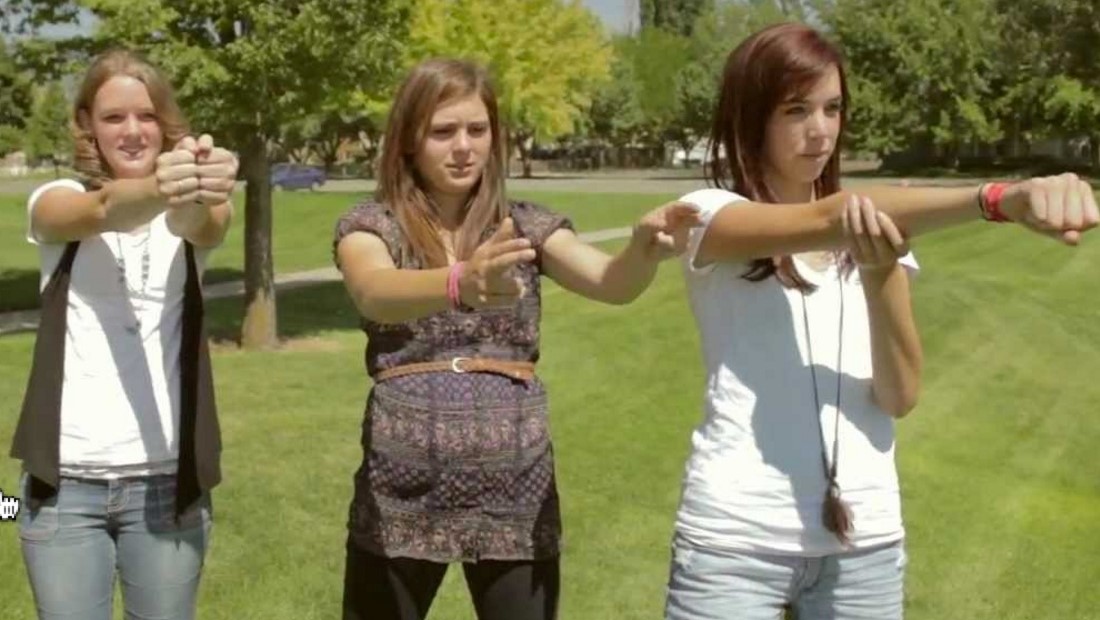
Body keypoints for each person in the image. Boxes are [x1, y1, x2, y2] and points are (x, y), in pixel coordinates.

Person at [663, 22, 1098, 620]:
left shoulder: (876, 237)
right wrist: (999, 199)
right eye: (796, 110)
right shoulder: (709, 216)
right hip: (734, 542)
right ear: (751, 117)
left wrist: (878, 273)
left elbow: (899, 395)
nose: (821, 129)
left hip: (864, 545)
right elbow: (834, 216)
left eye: (832, 108)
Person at [333, 58, 699, 620]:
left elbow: (611, 282)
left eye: (477, 130)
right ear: (408, 139)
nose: (464, 147)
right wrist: (460, 283)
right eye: (443, 131)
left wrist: (642, 250)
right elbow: (373, 290)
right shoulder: (372, 224)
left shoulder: (525, 226)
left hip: (515, 495)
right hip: (399, 493)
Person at [10, 49, 237, 620]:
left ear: (166, 122)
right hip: (64, 489)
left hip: (167, 486)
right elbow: (106, 208)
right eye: (113, 117)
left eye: (147, 116)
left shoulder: (199, 205)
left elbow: (198, 222)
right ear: (88, 124)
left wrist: (199, 185)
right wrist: (172, 181)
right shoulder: (56, 200)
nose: (132, 131)